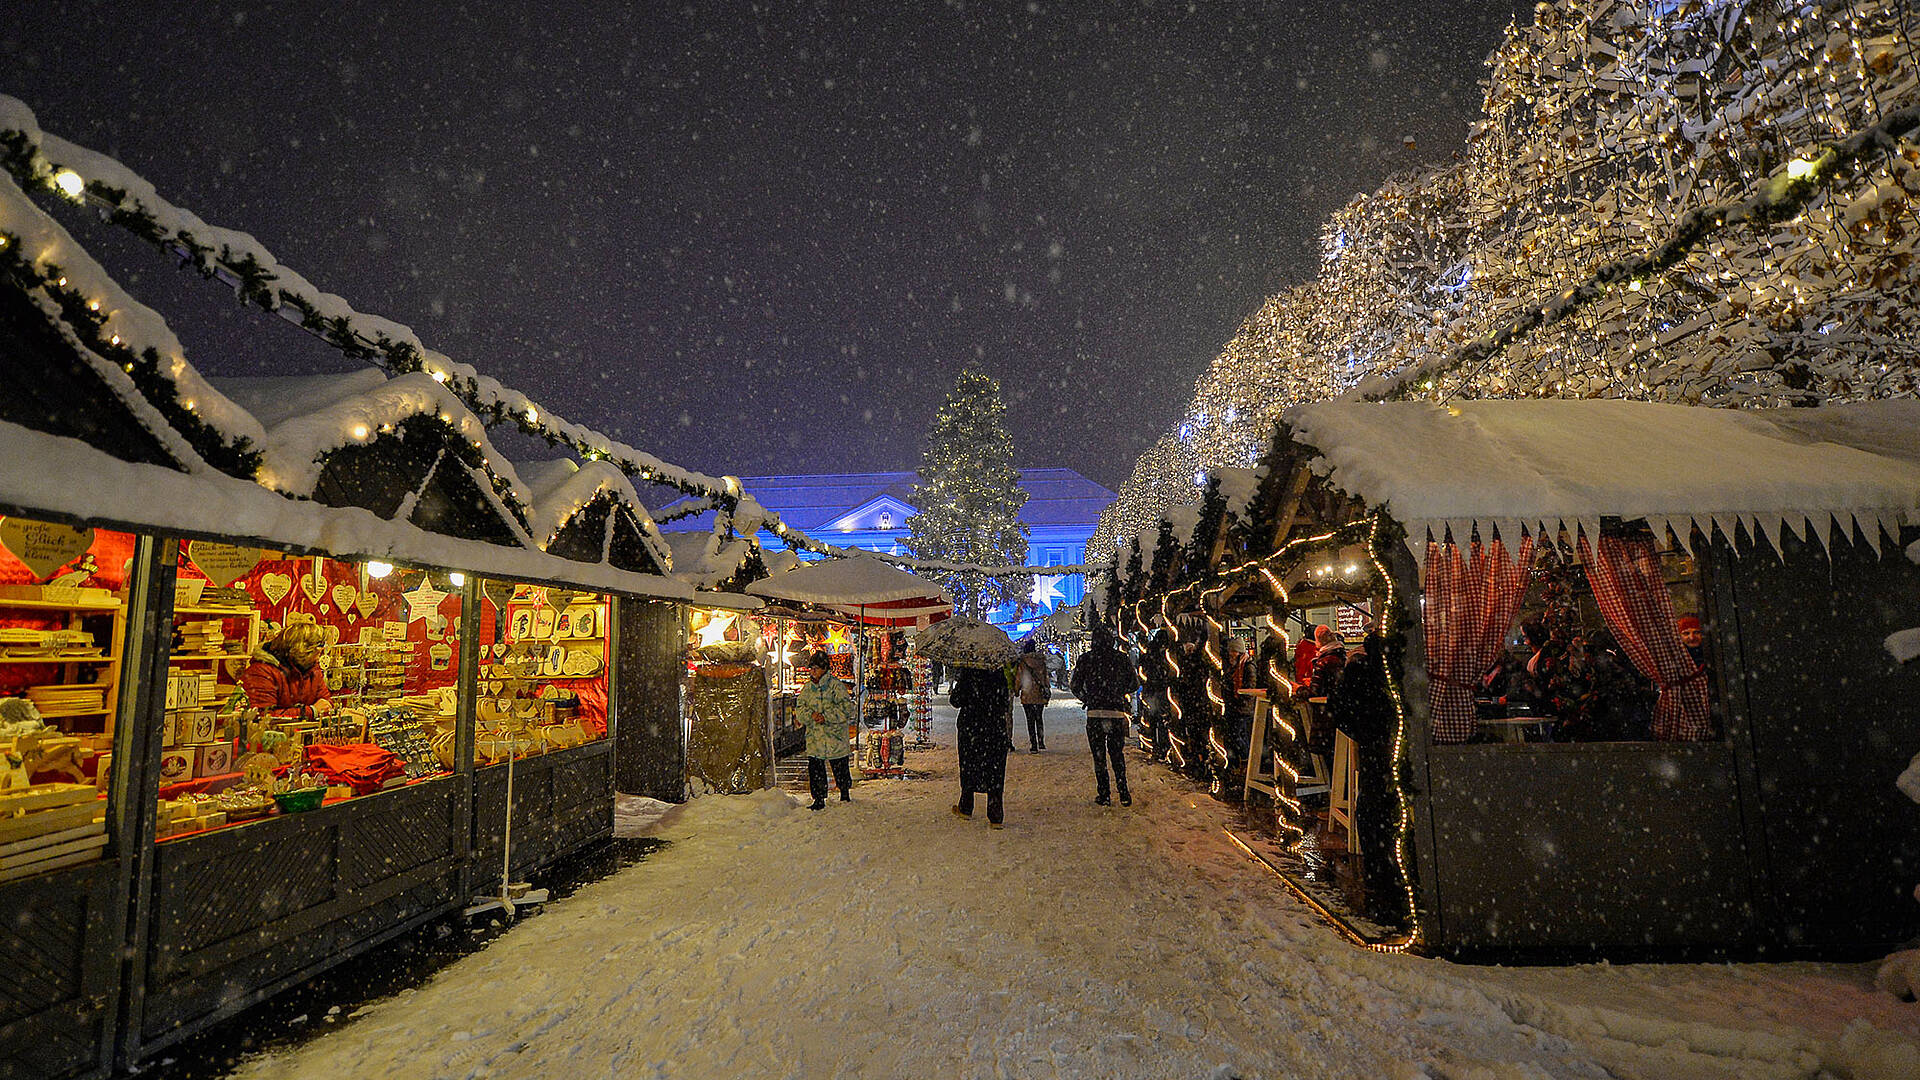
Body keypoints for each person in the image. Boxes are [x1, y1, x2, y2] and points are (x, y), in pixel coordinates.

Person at [1071, 624, 1135, 806]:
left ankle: (1104, 794)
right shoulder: (1121, 659)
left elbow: (1075, 685)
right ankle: (1123, 792)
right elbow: (1133, 683)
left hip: (1095, 713)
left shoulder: (1086, 659)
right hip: (1115, 712)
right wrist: (1118, 693)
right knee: (1117, 754)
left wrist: (1088, 697)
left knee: (1099, 756)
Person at [950, 664, 1011, 827]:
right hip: (994, 728)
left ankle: (966, 805)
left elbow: (955, 700)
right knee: (995, 768)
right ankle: (995, 813)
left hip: (971, 727)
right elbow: (1005, 700)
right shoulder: (998, 673)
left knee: (969, 764)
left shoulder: (969, 673)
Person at [796, 650, 853, 810]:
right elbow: (800, 709)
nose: (813, 671)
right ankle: (818, 798)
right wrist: (811, 715)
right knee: (816, 767)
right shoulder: (807, 689)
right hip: (815, 737)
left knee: (840, 764)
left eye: (816, 668)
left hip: (835, 736)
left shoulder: (836, 686)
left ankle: (844, 792)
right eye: (811, 668)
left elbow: (847, 708)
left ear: (824, 669)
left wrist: (827, 716)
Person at [243, 621, 333, 718]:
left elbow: (325, 703)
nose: (322, 650)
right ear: (303, 648)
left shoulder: (312, 668)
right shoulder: (262, 671)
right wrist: (310, 711)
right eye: (319, 646)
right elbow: (262, 716)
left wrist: (322, 708)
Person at [1015, 640, 1051, 751]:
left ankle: (1033, 744)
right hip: (1039, 694)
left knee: (1030, 720)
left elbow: (1019, 678)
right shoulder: (1041, 662)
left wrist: (1016, 690)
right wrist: (1046, 688)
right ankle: (1041, 741)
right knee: (1039, 718)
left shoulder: (1023, 663)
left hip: (1027, 694)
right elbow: (1046, 677)